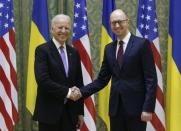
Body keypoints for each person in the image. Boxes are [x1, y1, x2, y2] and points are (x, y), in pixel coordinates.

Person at [70, 9, 157, 131]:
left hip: (137, 109)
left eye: (120, 22)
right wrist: (81, 92)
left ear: (127, 22)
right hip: (116, 110)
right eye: (113, 23)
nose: (117, 25)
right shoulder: (109, 49)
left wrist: (148, 108)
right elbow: (102, 80)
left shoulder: (142, 44)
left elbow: (151, 79)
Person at [33, 14, 84, 131]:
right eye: (60, 27)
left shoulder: (74, 52)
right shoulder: (42, 50)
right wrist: (67, 92)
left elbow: (79, 82)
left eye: (66, 28)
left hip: (70, 113)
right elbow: (42, 80)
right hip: (49, 113)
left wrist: (80, 112)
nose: (63, 31)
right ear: (52, 29)